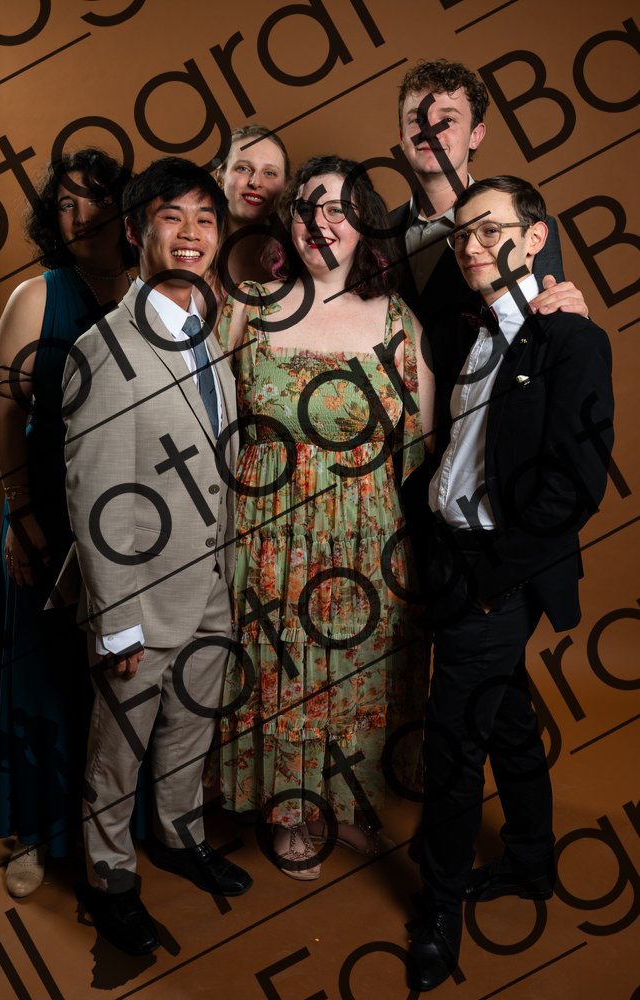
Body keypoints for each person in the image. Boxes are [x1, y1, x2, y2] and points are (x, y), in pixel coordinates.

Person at [408, 176, 613, 991]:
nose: (469, 245)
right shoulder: (472, 329)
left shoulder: (569, 339)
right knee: (506, 718)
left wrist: (494, 578)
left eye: (488, 230)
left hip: (497, 572)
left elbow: (575, 487)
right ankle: (530, 860)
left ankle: (436, 912)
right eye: (460, 233)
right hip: (450, 554)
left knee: (452, 742)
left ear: (534, 238)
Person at [218, 155, 434, 880]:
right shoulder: (249, 305)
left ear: (365, 225)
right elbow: (201, 418)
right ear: (289, 221)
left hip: (363, 535)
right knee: (278, 673)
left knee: (351, 677)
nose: (321, 223)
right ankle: (290, 812)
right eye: (308, 207)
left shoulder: (397, 319)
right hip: (267, 535)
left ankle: (341, 807)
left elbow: (425, 444)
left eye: (339, 210)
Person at [61, 157, 252, 956]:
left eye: (206, 219)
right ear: (137, 232)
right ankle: (109, 880)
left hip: (210, 583)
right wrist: (117, 621)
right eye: (172, 216)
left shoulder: (205, 331)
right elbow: (94, 491)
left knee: (189, 728)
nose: (191, 233)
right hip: (139, 596)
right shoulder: (105, 348)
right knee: (118, 753)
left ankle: (178, 834)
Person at [0, 148, 133, 897]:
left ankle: (110, 828)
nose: (80, 216)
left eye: (95, 200)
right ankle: (35, 833)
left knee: (118, 679)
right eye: (65, 204)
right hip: (44, 515)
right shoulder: (35, 296)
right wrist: (21, 515)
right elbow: (5, 411)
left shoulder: (153, 291)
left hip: (131, 520)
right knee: (42, 678)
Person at [390, 58, 588, 329]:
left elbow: (554, 328)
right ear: (402, 137)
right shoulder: (370, 236)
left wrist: (576, 314)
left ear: (476, 135)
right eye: (416, 120)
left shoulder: (526, 227)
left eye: (447, 119)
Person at [215, 124, 290, 289]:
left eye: (269, 173)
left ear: (285, 186)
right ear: (220, 178)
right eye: (243, 168)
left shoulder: (301, 261)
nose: (255, 182)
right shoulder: (192, 253)